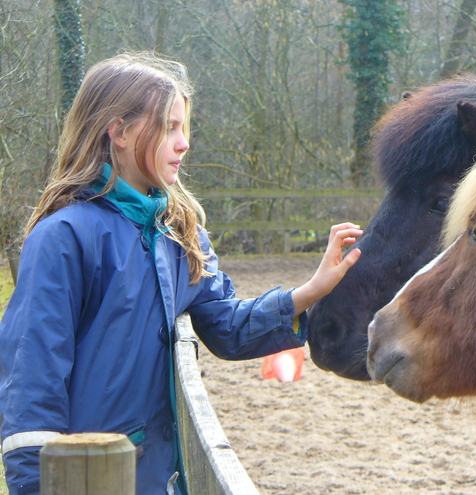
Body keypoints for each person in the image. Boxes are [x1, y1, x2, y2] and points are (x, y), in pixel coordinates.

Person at [0, 52, 362, 495]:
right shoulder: (64, 237)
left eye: (183, 127)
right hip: (91, 480)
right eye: (170, 127)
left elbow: (227, 328)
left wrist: (310, 291)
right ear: (119, 132)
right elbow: (32, 383)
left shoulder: (180, 235)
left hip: (162, 477)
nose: (184, 142)